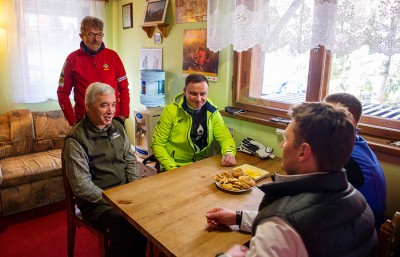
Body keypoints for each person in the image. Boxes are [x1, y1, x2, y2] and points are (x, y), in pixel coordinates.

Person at [205, 102, 377, 257]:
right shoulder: (358, 199)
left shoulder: (280, 227)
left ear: (303, 152)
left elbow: (286, 226)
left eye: (286, 139)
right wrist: (238, 217)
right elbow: (306, 222)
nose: (282, 145)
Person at [62, 82, 146, 257]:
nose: (111, 111)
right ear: (88, 106)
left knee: (147, 217)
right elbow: (81, 186)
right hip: (97, 202)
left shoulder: (117, 127)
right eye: (104, 105)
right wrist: (114, 200)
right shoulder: (76, 139)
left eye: (113, 104)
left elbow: (130, 159)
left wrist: (134, 188)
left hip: (123, 194)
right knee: (126, 227)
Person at [325, 92, 387, 230]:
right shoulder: (357, 142)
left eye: (328, 114)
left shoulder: (344, 156)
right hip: (369, 223)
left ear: (350, 120)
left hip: (361, 232)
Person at [151, 73, 236, 171]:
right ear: (184, 91)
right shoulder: (170, 112)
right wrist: (172, 168)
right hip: (174, 164)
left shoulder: (211, 111)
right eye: (194, 94)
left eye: (203, 94)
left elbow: (225, 137)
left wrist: (229, 153)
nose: (199, 99)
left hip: (201, 164)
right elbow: (157, 144)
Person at [58, 16, 130, 127]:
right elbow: (62, 93)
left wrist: (123, 116)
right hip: (85, 122)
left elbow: (124, 88)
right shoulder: (72, 59)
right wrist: (73, 121)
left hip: (113, 120)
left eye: (99, 34)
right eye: (91, 34)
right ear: (81, 36)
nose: (96, 39)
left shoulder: (113, 56)